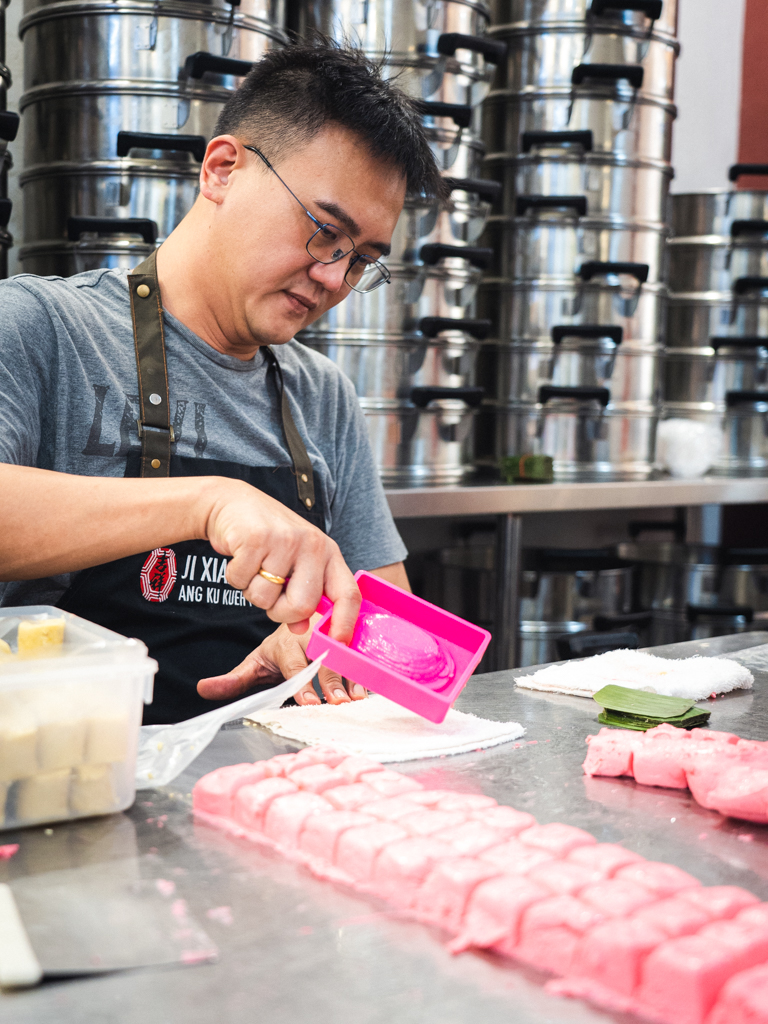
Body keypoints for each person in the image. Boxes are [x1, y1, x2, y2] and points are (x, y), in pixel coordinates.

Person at [0, 42, 446, 723]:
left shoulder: (321, 394)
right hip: (81, 783)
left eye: (361, 261)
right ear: (222, 169)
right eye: (325, 230)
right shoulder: (43, 329)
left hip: (266, 787)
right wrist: (209, 503)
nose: (334, 279)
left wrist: (322, 645)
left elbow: (399, 642)